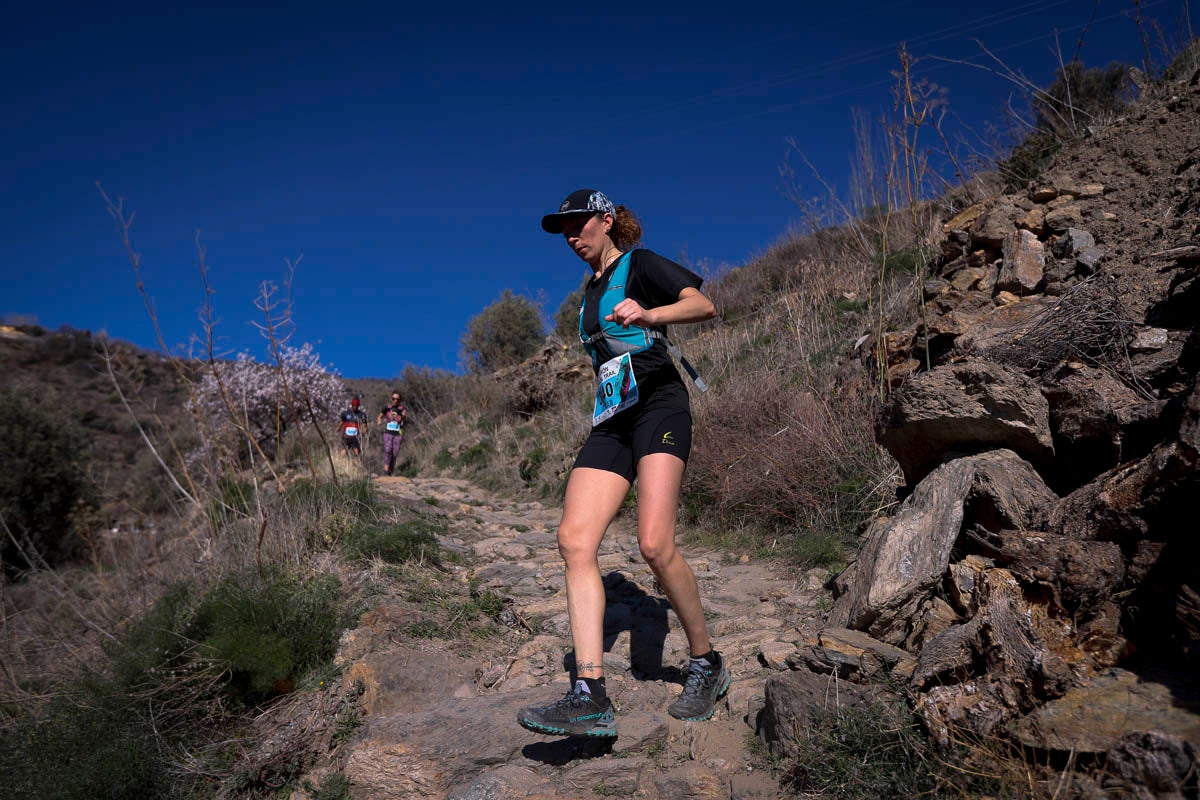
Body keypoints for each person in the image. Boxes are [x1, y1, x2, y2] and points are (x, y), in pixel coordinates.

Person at [517, 189, 727, 740]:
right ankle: (589, 693)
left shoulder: (641, 265)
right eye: (563, 230)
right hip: (613, 417)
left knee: (654, 544)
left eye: (578, 224)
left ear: (606, 220)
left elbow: (702, 306)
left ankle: (706, 662)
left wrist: (650, 312)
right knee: (574, 540)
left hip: (659, 404)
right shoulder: (589, 292)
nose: (571, 236)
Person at [378, 392, 407, 476]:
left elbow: (404, 422)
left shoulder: (402, 409)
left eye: (397, 399)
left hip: (398, 433)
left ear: (400, 400)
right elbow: (380, 416)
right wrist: (379, 421)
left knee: (395, 453)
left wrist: (403, 417)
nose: (395, 400)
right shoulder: (387, 408)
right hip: (388, 432)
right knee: (388, 450)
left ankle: (390, 470)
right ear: (391, 399)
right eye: (394, 399)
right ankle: (385, 470)